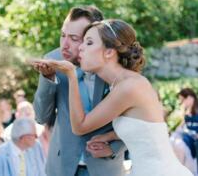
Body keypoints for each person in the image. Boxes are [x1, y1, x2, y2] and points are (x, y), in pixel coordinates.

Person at [33, 19, 193, 176]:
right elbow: (148, 129)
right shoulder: (121, 84)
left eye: (88, 43)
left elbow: (79, 126)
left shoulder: (129, 87)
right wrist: (109, 136)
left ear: (109, 52)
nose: (80, 48)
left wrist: (71, 75)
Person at [32, 6, 125, 176]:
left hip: (105, 168)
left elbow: (134, 120)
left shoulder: (114, 66)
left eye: (74, 39)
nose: (64, 45)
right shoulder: (53, 60)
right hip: (62, 168)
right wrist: (48, 79)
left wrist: (113, 149)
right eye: (63, 35)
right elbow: (41, 117)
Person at [171, 88, 198, 175]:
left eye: (183, 100)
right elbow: (181, 127)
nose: (181, 103)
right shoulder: (187, 113)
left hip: (194, 140)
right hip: (188, 138)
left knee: (180, 145)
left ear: (190, 98)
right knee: (174, 140)